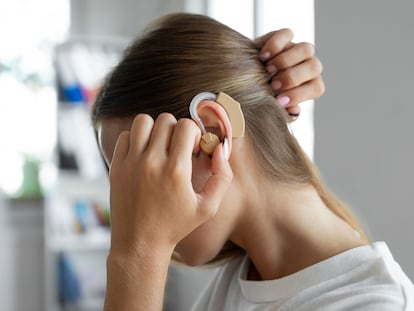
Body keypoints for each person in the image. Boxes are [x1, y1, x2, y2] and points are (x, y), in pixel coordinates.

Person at [92, 13, 413, 311]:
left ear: (212, 135)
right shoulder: (241, 283)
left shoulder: (373, 305)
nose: (128, 200)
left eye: (140, 170)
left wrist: (138, 256)